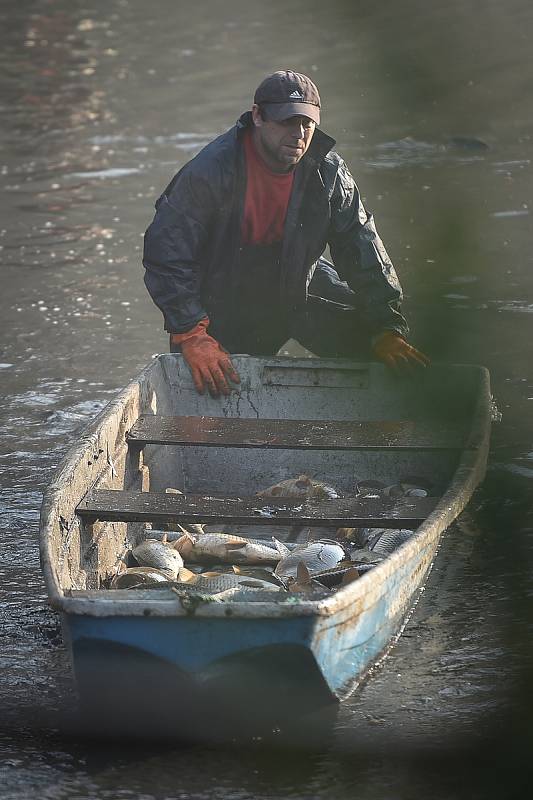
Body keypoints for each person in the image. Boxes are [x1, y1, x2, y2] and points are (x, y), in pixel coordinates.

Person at [143, 70, 429, 397]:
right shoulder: (210, 171)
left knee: (383, 347)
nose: (298, 134)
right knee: (204, 390)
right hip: (223, 297)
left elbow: (362, 247)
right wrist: (191, 332)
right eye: (287, 122)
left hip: (298, 283)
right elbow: (166, 255)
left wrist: (386, 326)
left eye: (307, 124)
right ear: (258, 117)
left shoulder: (328, 172)